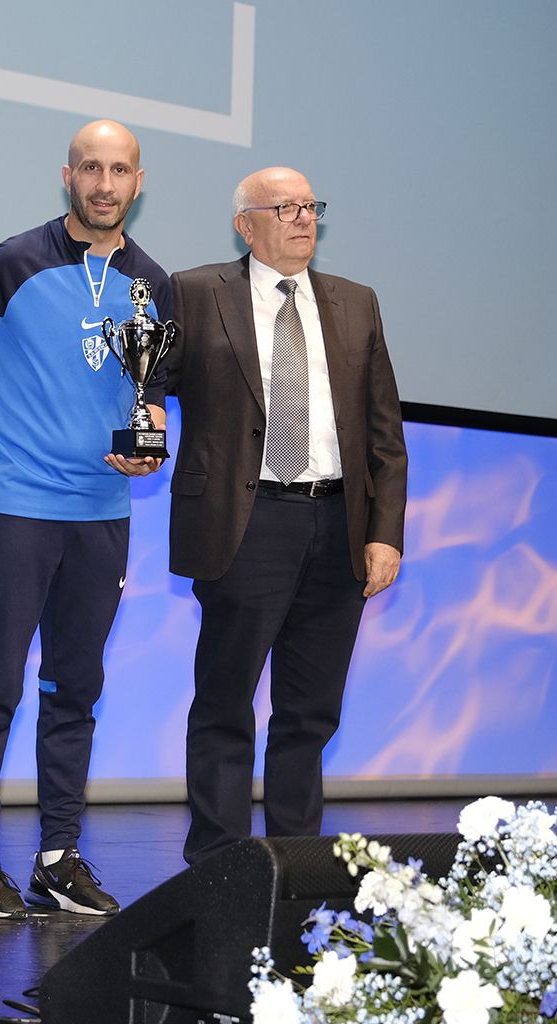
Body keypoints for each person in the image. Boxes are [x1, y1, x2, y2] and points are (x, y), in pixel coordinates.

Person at [0, 120, 170, 918]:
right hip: (13, 507)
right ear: (66, 176)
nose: (104, 183)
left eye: (119, 170)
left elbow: (149, 389)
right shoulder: (14, 262)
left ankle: (58, 855)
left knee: (76, 688)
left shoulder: (153, 284)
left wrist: (151, 439)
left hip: (103, 511)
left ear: (138, 182)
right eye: (90, 168)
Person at [164, 166, 409, 864]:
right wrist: (144, 416)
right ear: (247, 225)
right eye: (285, 208)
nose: (303, 219)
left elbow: (385, 431)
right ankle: (217, 864)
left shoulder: (356, 303)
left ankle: (296, 865)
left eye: (310, 207)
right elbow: (151, 380)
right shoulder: (197, 291)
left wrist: (384, 531)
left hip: (337, 526)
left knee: (309, 713)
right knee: (225, 703)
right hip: (247, 521)